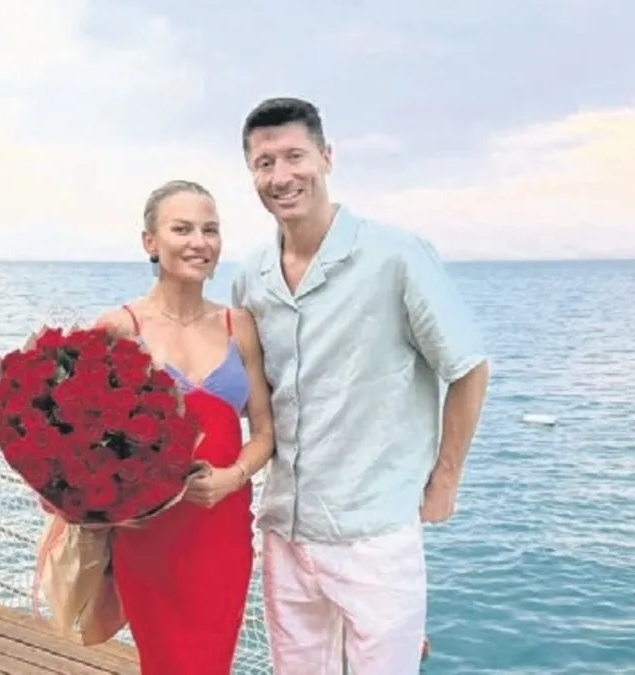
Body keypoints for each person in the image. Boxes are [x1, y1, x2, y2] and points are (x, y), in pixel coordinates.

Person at [232, 97, 491, 674]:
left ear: (326, 157)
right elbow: (253, 398)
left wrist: (446, 477)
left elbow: (468, 367)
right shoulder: (251, 276)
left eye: (295, 156)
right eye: (264, 163)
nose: (281, 175)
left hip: (373, 533)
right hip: (285, 530)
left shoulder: (395, 255)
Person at [95, 179, 276, 675]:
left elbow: (265, 432)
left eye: (210, 230)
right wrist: (111, 505)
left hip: (223, 533)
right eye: (182, 229)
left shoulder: (239, 326)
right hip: (149, 538)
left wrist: (232, 477)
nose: (200, 242)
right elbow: (79, 444)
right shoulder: (118, 327)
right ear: (150, 241)